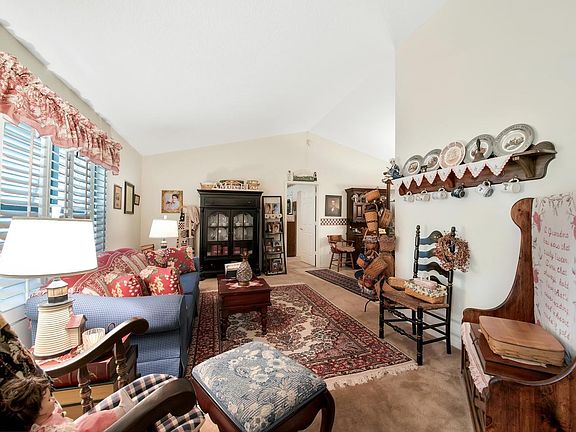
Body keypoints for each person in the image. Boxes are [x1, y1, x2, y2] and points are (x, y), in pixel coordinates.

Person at [0, 375, 135, 432]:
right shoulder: (47, 429)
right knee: (94, 421)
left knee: (86, 419)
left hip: (73, 425)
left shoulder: (43, 417)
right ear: (40, 410)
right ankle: (122, 410)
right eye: (49, 399)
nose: (53, 400)